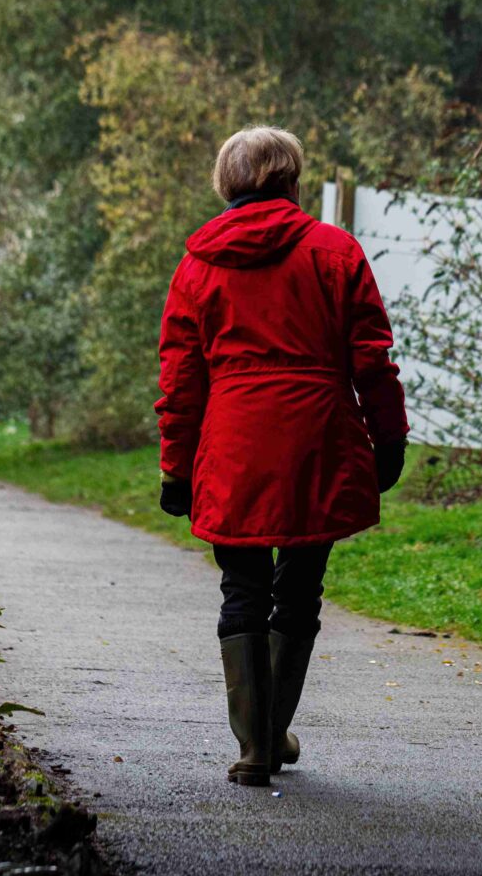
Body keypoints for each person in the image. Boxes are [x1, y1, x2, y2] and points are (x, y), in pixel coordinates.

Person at [156, 126, 408, 786]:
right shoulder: (335, 251)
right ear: (291, 181)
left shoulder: (197, 265)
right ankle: (270, 733)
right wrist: (390, 437)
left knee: (241, 588)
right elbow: (371, 359)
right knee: (298, 589)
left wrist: (175, 465)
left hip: (232, 444)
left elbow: (180, 379)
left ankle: (256, 746)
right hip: (317, 440)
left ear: (226, 185)